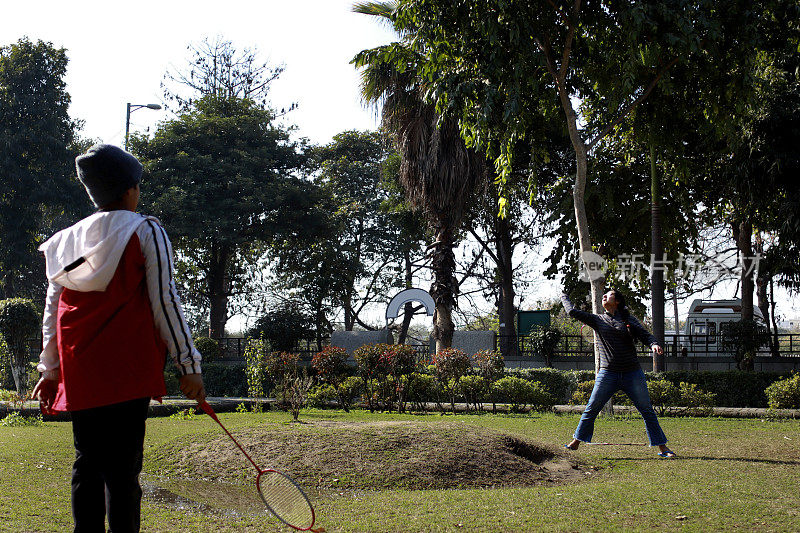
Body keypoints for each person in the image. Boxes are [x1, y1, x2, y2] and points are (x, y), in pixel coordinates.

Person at [31, 144, 206, 532]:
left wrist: (51, 368)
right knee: (124, 471)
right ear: (130, 190)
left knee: (87, 464)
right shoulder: (146, 230)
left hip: (82, 371)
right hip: (127, 370)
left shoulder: (64, 241)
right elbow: (166, 300)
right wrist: (189, 364)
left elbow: (52, 312)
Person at [561, 289, 676, 458]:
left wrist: (653, 344)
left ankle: (663, 448)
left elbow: (645, 335)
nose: (604, 296)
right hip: (608, 374)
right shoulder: (597, 319)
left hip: (632, 373)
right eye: (604, 294)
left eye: (609, 294)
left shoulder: (628, 320)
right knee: (592, 408)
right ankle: (576, 442)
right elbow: (571, 311)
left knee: (647, 411)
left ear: (618, 301)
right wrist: (564, 295)